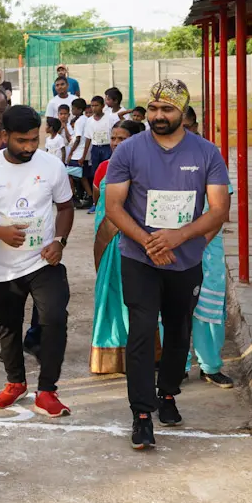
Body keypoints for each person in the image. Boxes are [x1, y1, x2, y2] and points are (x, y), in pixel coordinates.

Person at [104, 79, 230, 451]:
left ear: (184, 113)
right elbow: (114, 206)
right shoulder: (128, 151)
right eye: (154, 109)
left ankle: (168, 393)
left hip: (184, 258)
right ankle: (142, 414)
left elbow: (220, 209)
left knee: (178, 331)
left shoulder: (207, 153)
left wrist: (178, 237)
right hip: (138, 258)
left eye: (168, 110)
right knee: (142, 331)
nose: (159, 116)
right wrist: (148, 242)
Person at [0, 105, 74, 416]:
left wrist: (59, 241)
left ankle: (47, 390)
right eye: (22, 141)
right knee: (8, 327)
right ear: (4, 136)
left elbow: (65, 208)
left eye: (33, 140)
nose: (29, 147)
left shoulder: (52, 166)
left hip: (44, 261)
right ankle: (15, 383)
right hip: (2, 267)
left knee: (54, 317)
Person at [182, 119, 236, 388]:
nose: (186, 132)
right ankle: (176, 363)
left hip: (207, 248)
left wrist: (199, 242)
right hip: (170, 246)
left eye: (190, 126)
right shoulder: (159, 159)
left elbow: (221, 210)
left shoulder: (210, 156)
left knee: (208, 307)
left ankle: (210, 366)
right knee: (172, 308)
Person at [89, 121, 144, 374]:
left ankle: (142, 354)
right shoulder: (104, 168)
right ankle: (110, 356)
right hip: (109, 243)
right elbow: (98, 202)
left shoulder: (146, 168)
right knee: (110, 295)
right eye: (113, 138)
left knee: (136, 299)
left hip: (135, 243)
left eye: (122, 139)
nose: (115, 144)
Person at [81, 96, 120, 212]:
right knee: (96, 173)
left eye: (96, 105)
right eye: (92, 106)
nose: (94, 108)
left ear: (102, 106)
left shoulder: (109, 118)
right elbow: (88, 138)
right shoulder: (89, 121)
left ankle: (109, 198)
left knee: (108, 171)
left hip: (107, 147)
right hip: (95, 149)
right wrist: (84, 155)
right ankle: (95, 202)